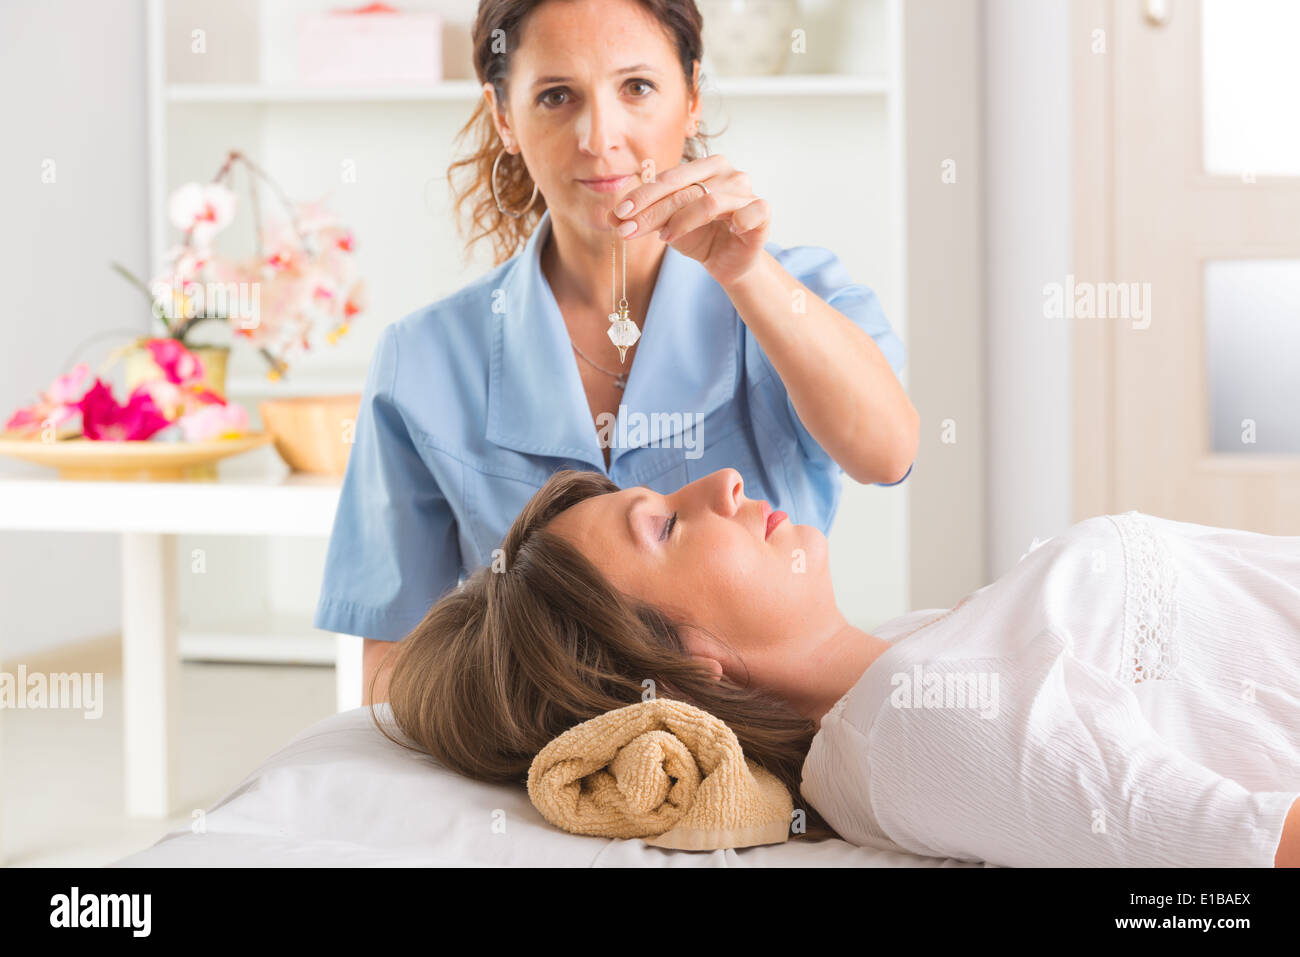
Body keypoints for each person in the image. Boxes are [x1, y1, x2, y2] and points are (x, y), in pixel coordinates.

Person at [312, 0, 918, 703]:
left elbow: (888, 452)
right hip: (535, 778)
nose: (601, 137)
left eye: (637, 88)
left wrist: (744, 273)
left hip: (773, 753)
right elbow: (394, 665)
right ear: (504, 116)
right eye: (556, 95)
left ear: (691, 96)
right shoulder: (421, 359)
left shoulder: (792, 294)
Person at [377, 467, 1300, 866]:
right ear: (683, 666)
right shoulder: (918, 730)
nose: (723, 485)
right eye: (664, 525)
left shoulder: (912, 653)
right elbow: (1239, 854)